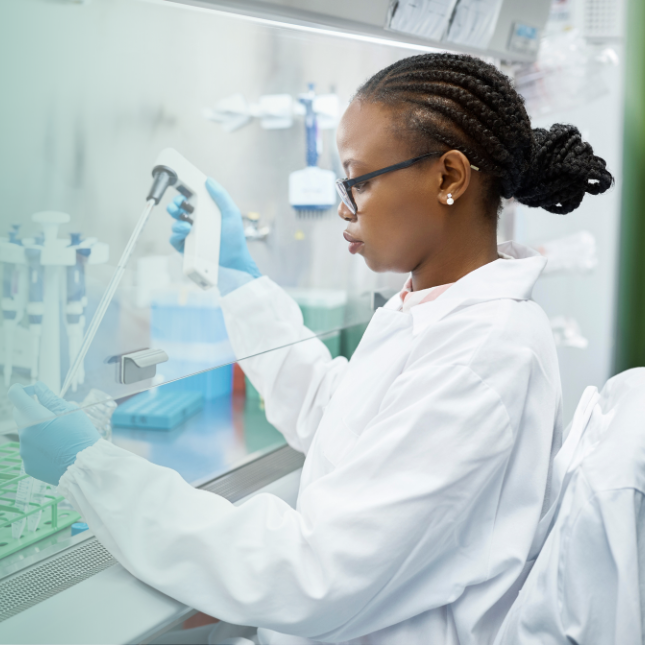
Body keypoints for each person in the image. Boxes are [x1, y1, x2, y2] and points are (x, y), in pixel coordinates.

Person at [10, 53, 613, 645]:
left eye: (360, 181)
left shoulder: (483, 353)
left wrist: (89, 469)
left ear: (448, 177)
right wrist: (238, 278)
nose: (344, 209)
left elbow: (313, 577)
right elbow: (339, 415)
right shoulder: (434, 307)